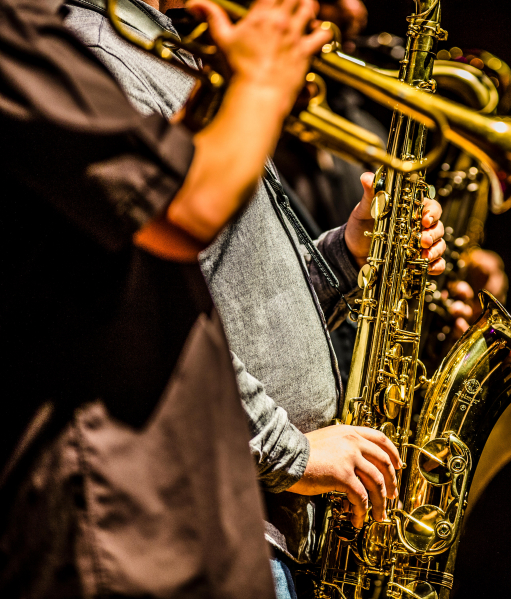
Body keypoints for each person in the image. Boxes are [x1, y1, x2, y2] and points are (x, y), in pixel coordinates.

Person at [62, 1, 447, 596]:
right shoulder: (105, 53)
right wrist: (287, 453)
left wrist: (351, 252)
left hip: (264, 526)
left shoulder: (165, 49)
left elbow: (236, 291)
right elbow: (151, 307)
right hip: (222, 525)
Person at [0, 0, 333, 596]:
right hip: (116, 521)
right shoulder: (58, 41)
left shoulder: (117, 43)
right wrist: (262, 82)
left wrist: (226, 86)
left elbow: (197, 244)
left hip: (181, 518)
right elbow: (188, 211)